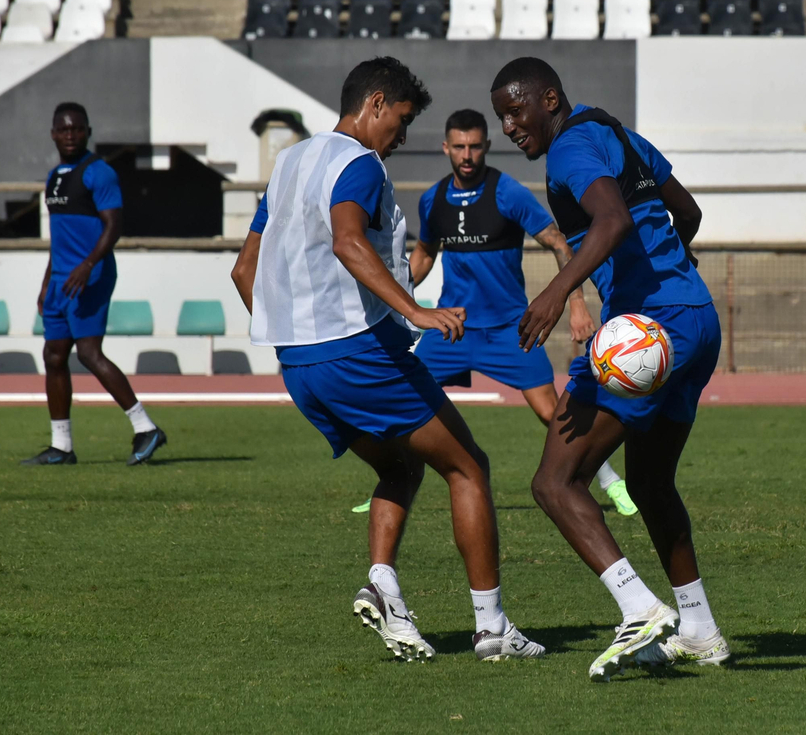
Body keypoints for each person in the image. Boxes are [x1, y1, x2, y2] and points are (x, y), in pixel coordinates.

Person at [229, 57, 543, 663]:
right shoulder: (358, 164)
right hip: (359, 353)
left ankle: (385, 588)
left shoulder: (289, 163)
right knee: (469, 467)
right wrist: (418, 311)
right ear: (374, 104)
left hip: (300, 365)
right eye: (400, 122)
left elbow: (245, 270)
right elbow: (348, 240)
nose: (400, 139)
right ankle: (492, 627)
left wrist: (294, 334)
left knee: (401, 468)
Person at [489, 57, 728, 682]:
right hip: (697, 321)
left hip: (648, 333)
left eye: (517, 110)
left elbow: (613, 221)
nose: (511, 127)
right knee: (649, 485)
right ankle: (699, 629)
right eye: (502, 118)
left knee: (554, 481)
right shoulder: (618, 133)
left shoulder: (569, 151)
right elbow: (689, 213)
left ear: (550, 97)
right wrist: (671, 270)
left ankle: (637, 608)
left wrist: (553, 292)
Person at [383, 107, 634, 518]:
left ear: (486, 147)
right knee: (402, 400)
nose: (467, 155)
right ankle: (391, 489)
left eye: (475, 147)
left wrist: (575, 304)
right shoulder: (433, 200)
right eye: (459, 147)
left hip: (510, 330)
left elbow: (558, 243)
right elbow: (425, 254)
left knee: (550, 412)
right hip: (454, 330)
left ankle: (609, 480)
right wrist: (394, 297)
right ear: (446, 148)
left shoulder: (508, 192)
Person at [22, 102, 167, 467]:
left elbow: (113, 226)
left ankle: (145, 428)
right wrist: (45, 283)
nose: (70, 134)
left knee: (88, 353)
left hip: (91, 275)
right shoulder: (55, 176)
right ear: (53, 133)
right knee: (53, 356)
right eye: (63, 129)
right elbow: (61, 237)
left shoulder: (98, 173)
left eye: (77, 128)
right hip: (61, 280)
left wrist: (88, 265)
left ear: (88, 131)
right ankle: (62, 446)